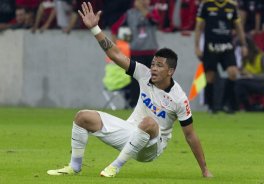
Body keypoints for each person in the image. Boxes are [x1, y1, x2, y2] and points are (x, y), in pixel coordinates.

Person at [47, 2, 213, 178]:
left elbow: (190, 135)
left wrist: (204, 169)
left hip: (152, 147)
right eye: (153, 64)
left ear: (170, 71)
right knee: (82, 117)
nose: (154, 69)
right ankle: (74, 166)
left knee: (149, 122)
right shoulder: (144, 74)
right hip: (130, 132)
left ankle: (115, 167)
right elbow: (115, 54)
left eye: (159, 66)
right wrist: (95, 28)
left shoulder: (179, 98)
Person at [194, 0, 248, 113]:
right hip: (211, 46)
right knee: (210, 76)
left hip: (227, 46)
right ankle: (211, 106)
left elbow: (238, 27)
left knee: (233, 72)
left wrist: (243, 45)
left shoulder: (231, 6)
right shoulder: (206, 4)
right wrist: (197, 47)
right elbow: (199, 27)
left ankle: (225, 103)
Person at [111, 0, 160, 108]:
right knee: (136, 80)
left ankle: (152, 105)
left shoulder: (153, 11)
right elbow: (114, 28)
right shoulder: (129, 14)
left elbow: (155, 21)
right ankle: (134, 105)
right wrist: (115, 47)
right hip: (136, 52)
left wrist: (143, 10)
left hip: (151, 52)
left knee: (152, 80)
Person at [234, 37, 264, 111]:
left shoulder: (262, 57)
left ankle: (245, 107)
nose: (241, 51)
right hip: (248, 82)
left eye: (242, 48)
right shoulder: (244, 59)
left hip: (263, 84)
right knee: (234, 83)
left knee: (240, 84)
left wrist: (251, 76)